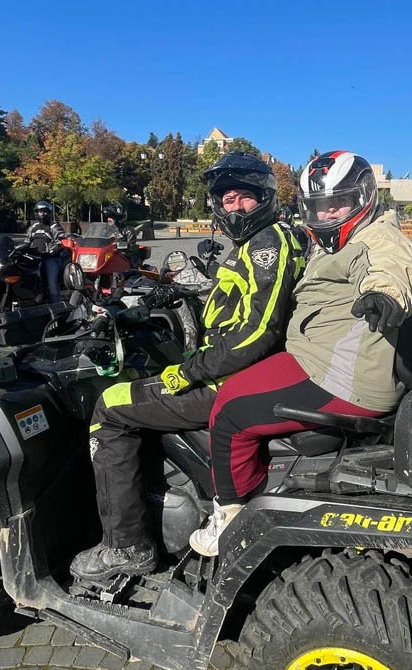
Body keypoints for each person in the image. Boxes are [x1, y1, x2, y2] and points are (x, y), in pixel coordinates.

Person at [69, 151, 305, 581]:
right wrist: (180, 293)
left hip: (229, 380)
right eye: (228, 199)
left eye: (245, 197)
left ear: (265, 198)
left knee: (111, 406)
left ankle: (125, 545)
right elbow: (239, 302)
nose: (236, 207)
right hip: (245, 372)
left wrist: (189, 372)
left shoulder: (267, 244)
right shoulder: (262, 241)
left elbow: (257, 333)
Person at [189, 150, 412, 556]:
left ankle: (231, 514)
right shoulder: (334, 240)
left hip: (341, 374)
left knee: (228, 411)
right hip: (323, 354)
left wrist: (384, 295)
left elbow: (390, 267)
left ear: (363, 198)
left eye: (338, 204)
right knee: (238, 387)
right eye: (318, 207)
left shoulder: (378, 236)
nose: (327, 215)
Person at [26, 200, 69, 304]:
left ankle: (57, 306)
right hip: (34, 259)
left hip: (50, 258)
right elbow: (27, 242)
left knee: (52, 283)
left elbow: (61, 238)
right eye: (40, 211)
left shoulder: (54, 226)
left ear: (50, 213)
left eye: (45, 211)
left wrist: (55, 247)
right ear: (36, 213)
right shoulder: (33, 227)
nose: (43, 214)